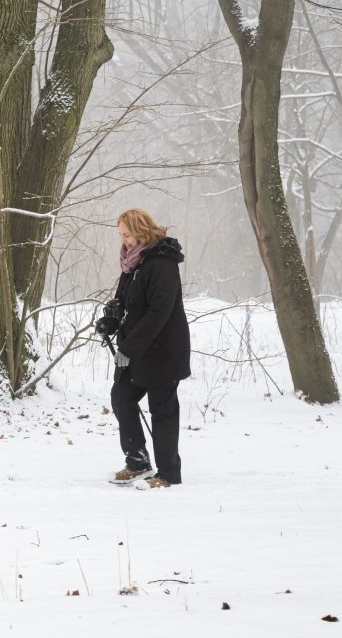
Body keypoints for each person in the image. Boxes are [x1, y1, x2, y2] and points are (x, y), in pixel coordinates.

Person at [105, 209, 191, 488]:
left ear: (142, 232)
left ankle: (168, 474)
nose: (124, 240)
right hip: (136, 350)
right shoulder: (133, 264)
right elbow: (124, 302)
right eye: (121, 234)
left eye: (127, 234)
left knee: (162, 410)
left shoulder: (162, 264)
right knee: (122, 398)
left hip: (163, 350)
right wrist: (110, 319)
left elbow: (159, 312)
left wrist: (129, 347)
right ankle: (138, 461)